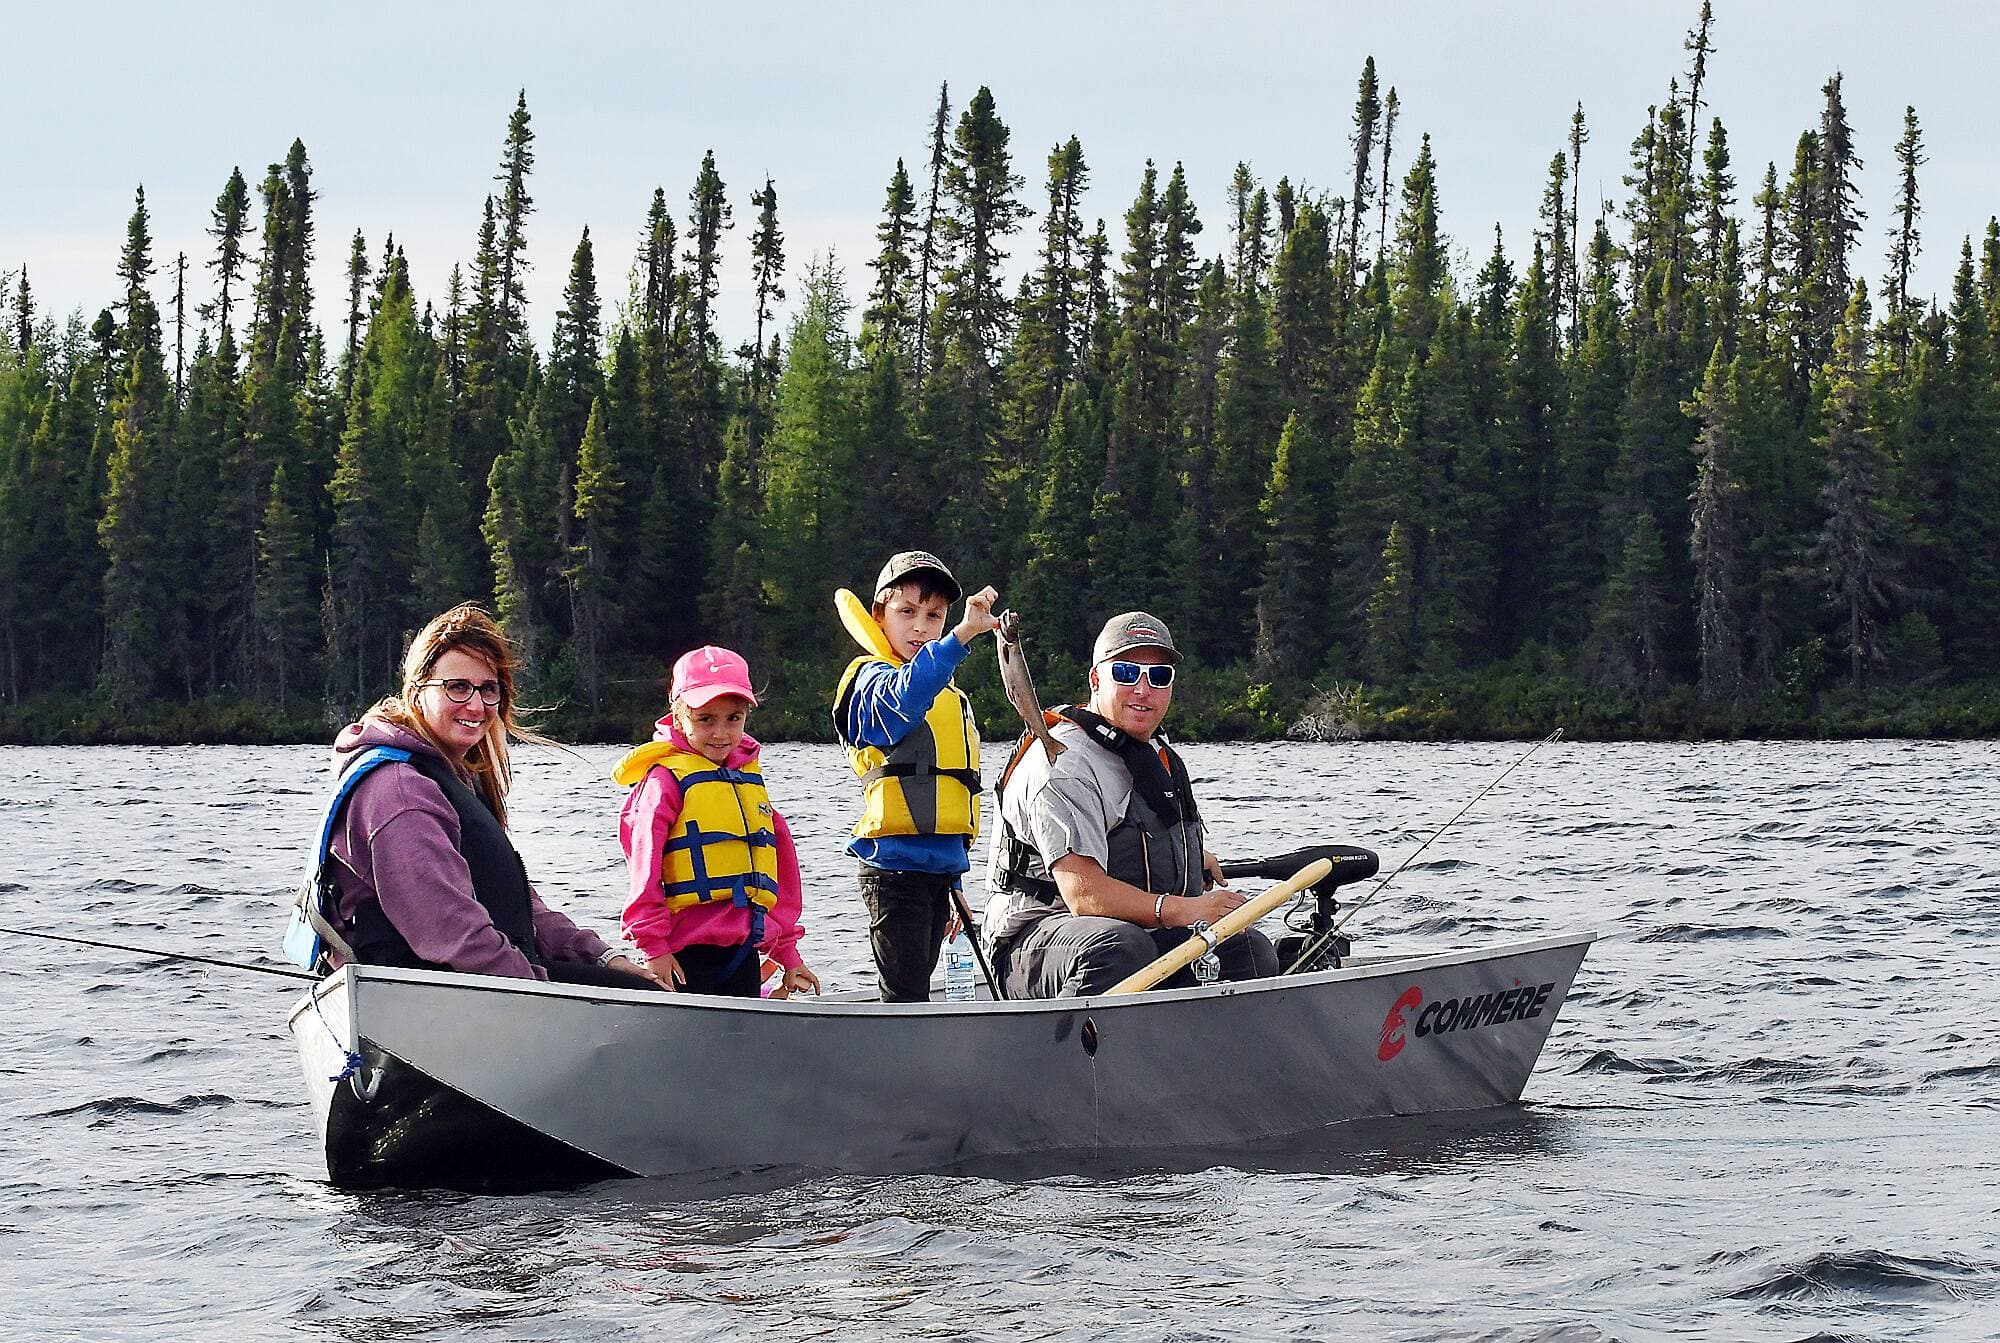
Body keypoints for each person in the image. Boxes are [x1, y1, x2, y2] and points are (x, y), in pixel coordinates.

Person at [319, 603, 661, 988]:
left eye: (488, 689)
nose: (477, 705)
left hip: (469, 983)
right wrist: (539, 992)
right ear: (417, 692)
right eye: (457, 687)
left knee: (639, 987)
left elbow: (516, 904)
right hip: (420, 991)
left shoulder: (451, 778)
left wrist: (602, 957)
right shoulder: (401, 791)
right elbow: (450, 930)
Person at [984, 611, 1280, 998]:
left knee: (1249, 950)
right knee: (1120, 949)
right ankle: (1070, 1054)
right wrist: (1188, 909)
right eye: (1126, 673)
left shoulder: (1156, 754)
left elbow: (1134, 836)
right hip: (1036, 939)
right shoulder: (1065, 763)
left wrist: (1189, 859)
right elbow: (1084, 895)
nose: (1143, 689)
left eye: (1159, 677)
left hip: (1134, 931)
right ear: (1095, 679)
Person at [832, 551, 999, 1002]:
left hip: (939, 874)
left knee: (919, 988)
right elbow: (903, 701)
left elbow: (951, 801)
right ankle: (900, 1067)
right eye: (906, 612)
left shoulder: (945, 691)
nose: (921, 627)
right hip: (893, 872)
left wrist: (957, 885)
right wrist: (964, 634)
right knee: (906, 995)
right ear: (879, 617)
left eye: (935, 616)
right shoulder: (869, 683)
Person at [614, 645, 819, 998]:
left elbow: (782, 872)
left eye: (733, 718)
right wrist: (654, 948)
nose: (721, 732)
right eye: (705, 719)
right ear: (678, 718)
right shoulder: (665, 783)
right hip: (684, 957)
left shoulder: (747, 781)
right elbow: (643, 871)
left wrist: (788, 954)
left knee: (743, 1046)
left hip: (744, 952)